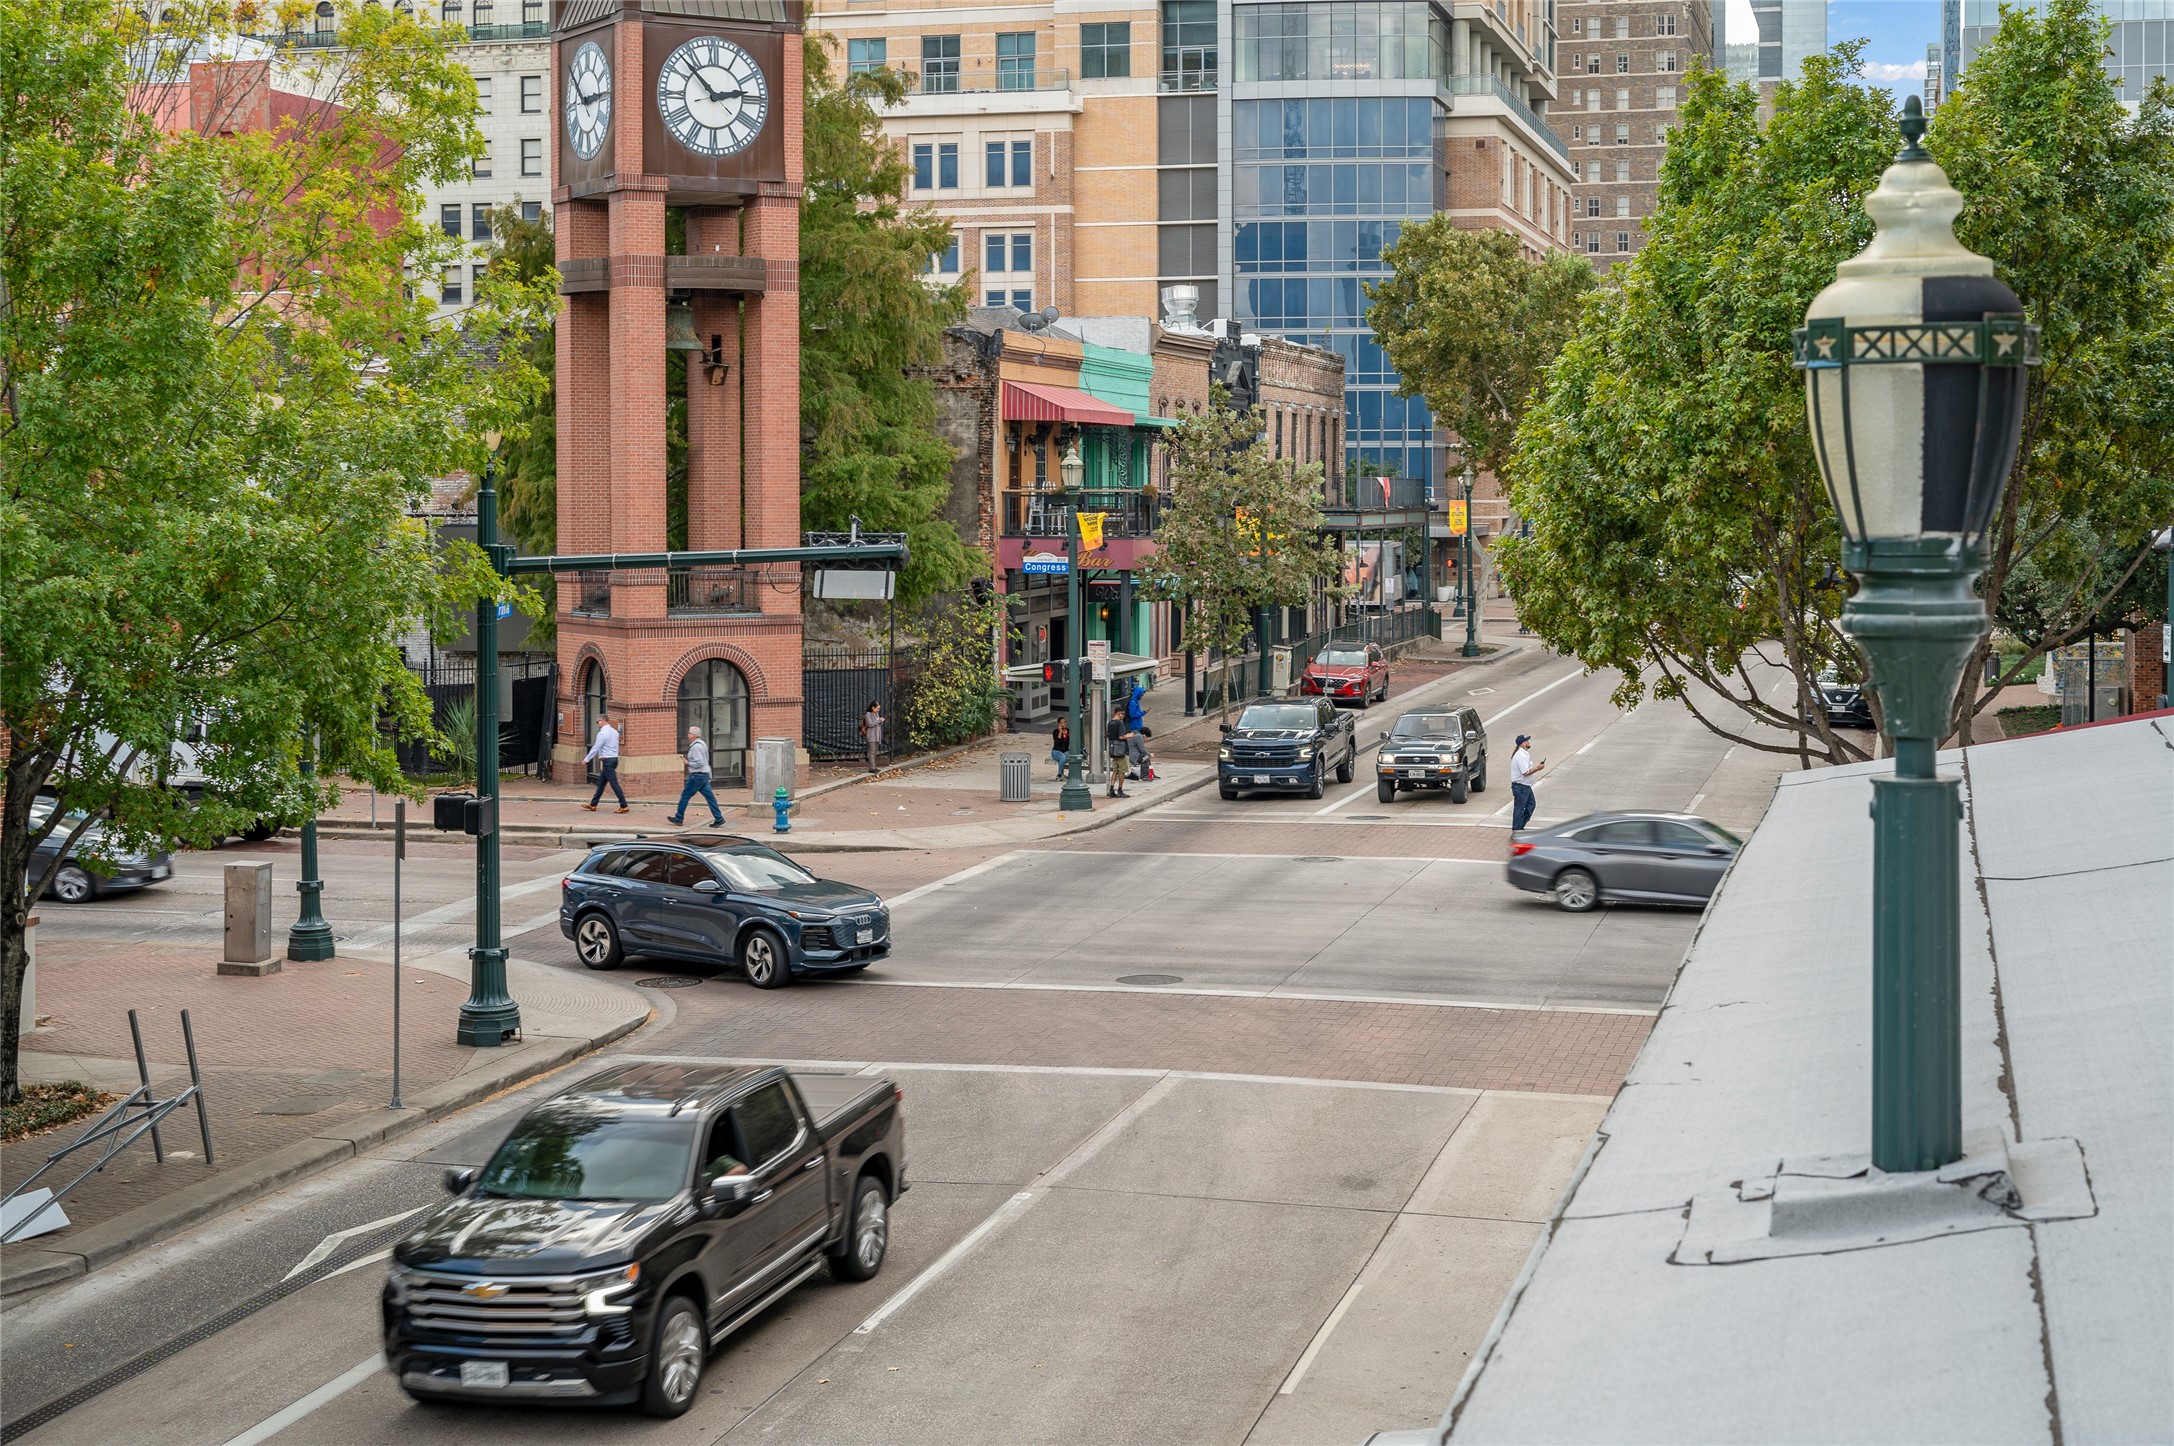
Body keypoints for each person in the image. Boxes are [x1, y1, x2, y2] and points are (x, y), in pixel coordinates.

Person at [668, 725, 725, 829]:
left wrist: (687, 763)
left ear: (693, 735)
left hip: (696, 776)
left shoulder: (696, 747)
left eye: (689, 733)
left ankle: (679, 818)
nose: (688, 734)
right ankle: (718, 818)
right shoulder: (702, 744)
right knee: (710, 798)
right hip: (703, 775)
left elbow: (699, 762)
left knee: (685, 796)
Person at [581, 711, 628, 813]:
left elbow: (596, 747)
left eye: (598, 722)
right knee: (600, 783)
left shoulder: (602, 733)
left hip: (607, 761)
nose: (598, 724)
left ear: (601, 721)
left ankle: (624, 805)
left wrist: (587, 759)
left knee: (614, 784)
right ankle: (593, 804)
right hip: (614, 759)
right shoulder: (615, 732)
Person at [1509, 732, 1545, 831]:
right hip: (1520, 787)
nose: (1529, 742)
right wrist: (1537, 768)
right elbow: (1525, 772)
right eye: (1527, 741)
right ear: (1523, 743)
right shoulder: (1521, 756)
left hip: (1525, 786)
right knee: (1520, 809)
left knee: (1530, 806)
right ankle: (1517, 829)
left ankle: (1520, 826)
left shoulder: (1524, 754)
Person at [1106, 707, 1132, 798]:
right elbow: (1121, 737)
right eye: (1123, 714)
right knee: (1122, 771)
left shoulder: (1110, 723)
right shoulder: (1120, 723)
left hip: (1113, 749)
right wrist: (1129, 736)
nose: (1123, 716)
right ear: (1118, 713)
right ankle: (1120, 789)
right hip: (1121, 749)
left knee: (1115, 770)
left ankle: (1111, 789)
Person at [859, 701, 885, 774]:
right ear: (872, 707)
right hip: (871, 736)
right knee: (871, 752)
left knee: (874, 752)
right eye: (877, 708)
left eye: (879, 708)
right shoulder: (868, 714)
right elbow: (870, 724)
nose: (878, 710)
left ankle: (873, 766)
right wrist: (878, 721)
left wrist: (880, 721)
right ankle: (872, 767)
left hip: (877, 735)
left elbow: (877, 724)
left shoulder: (876, 713)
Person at [1050, 716, 1072, 780]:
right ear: (1059, 724)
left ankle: (1071, 774)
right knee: (1063, 757)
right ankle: (1059, 774)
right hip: (1056, 751)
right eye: (1061, 723)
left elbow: (1069, 742)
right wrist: (1060, 732)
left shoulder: (1068, 731)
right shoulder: (1055, 732)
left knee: (1072, 757)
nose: (1063, 724)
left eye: (1064, 722)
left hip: (1065, 751)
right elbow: (1057, 743)